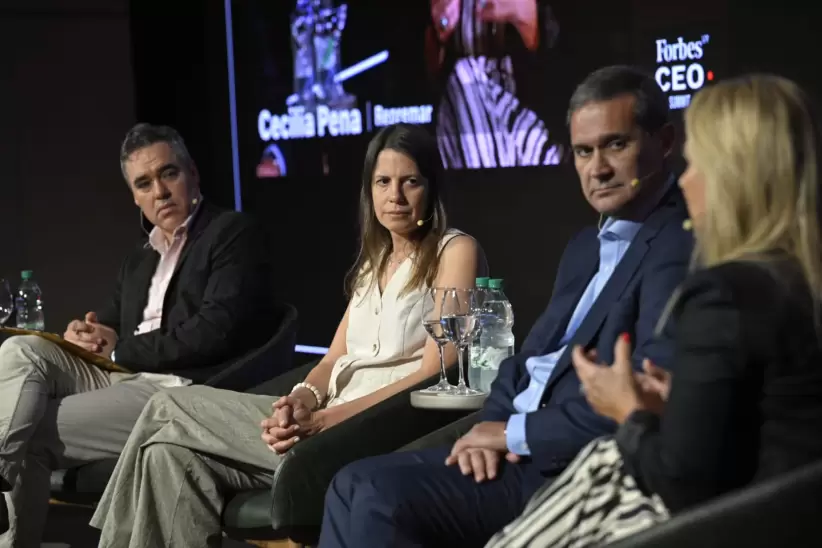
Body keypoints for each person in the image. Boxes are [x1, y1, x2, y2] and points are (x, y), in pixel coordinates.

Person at [318, 65, 694, 548]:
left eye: (615, 145)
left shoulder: (676, 247)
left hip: (565, 463)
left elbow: (641, 399)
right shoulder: (586, 245)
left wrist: (512, 434)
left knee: (372, 492)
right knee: (347, 486)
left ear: (664, 142)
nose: (597, 168)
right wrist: (489, 427)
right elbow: (524, 362)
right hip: (511, 441)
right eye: (584, 151)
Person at [89, 123, 488, 547]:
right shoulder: (376, 261)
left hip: (370, 429)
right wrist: (300, 401)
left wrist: (326, 421)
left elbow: (436, 370)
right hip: (324, 419)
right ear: (368, 191)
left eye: (410, 181)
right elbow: (333, 359)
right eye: (383, 182)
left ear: (431, 186)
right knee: (166, 456)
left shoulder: (455, 251)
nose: (396, 195)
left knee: (165, 405)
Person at [485, 74, 822, 547]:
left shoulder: (724, 293)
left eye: (696, 165)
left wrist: (627, 409)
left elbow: (683, 482)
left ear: (736, 177)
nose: (685, 181)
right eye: (583, 152)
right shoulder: (795, 281)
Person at [0, 123, 276, 545]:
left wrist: (119, 350)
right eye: (144, 184)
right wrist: (85, 333)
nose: (160, 192)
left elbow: (214, 331)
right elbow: (112, 322)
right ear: (135, 197)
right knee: (23, 347)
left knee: (30, 433)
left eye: (169, 174)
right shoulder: (139, 257)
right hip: (124, 374)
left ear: (192, 174)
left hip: (175, 389)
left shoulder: (230, 233)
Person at [428, 0, 563, 168]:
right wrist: (441, 27)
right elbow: (423, 70)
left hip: (527, 103)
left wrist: (524, 14)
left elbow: (567, 54)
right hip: (460, 108)